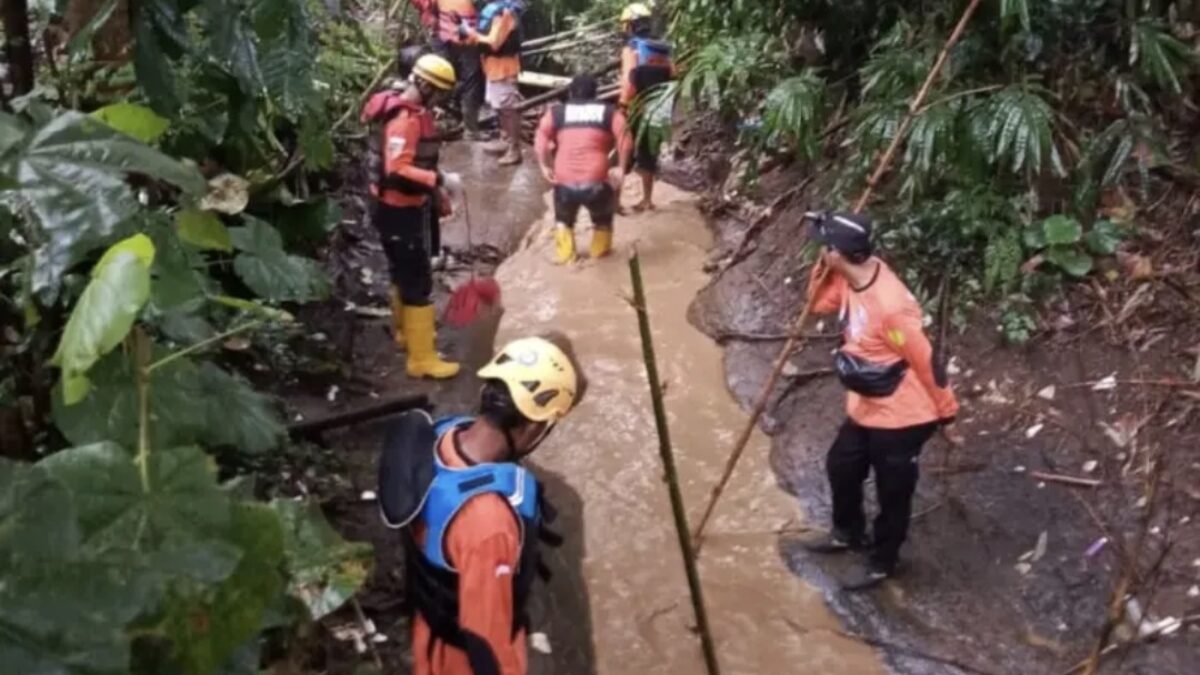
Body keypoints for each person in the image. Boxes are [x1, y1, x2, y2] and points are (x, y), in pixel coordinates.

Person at [378, 333, 588, 675]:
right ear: (535, 427)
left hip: (427, 630)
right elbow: (486, 638)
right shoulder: (489, 525)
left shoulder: (443, 435)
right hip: (456, 661)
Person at [800, 211, 964, 591]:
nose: (821, 251)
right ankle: (847, 532)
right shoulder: (848, 276)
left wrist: (948, 414)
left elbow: (925, 360)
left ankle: (882, 561)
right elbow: (818, 305)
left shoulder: (890, 307)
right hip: (866, 403)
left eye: (826, 247)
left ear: (841, 252)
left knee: (893, 491)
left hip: (904, 413)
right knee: (841, 465)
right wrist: (822, 270)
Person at [361, 54, 464, 380]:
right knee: (417, 279)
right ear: (423, 85)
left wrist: (436, 194)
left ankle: (407, 333)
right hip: (396, 210)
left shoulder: (412, 113)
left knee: (402, 273)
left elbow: (417, 162)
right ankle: (422, 359)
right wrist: (439, 181)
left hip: (400, 205)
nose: (441, 99)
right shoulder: (405, 119)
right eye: (439, 92)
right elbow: (398, 168)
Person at [534, 74, 632, 264]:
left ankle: (567, 258)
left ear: (570, 92)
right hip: (597, 181)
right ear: (596, 94)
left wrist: (544, 166)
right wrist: (621, 167)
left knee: (564, 222)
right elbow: (625, 140)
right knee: (602, 222)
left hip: (564, 181)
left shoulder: (556, 113)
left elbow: (541, 140)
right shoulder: (609, 112)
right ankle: (599, 259)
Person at [618, 2, 674, 212]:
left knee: (624, 151)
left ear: (631, 25)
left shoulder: (632, 48)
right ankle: (647, 199)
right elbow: (674, 75)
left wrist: (623, 105)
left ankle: (615, 202)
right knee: (648, 155)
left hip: (637, 108)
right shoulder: (663, 48)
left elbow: (629, 80)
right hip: (659, 107)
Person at [464, 0, 525, 166]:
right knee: (498, 106)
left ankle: (514, 149)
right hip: (492, 68)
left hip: (504, 68)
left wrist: (471, 33)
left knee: (508, 109)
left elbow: (494, 42)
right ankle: (506, 140)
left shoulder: (504, 12)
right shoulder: (492, 9)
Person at [423, 0, 486, 139]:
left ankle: (467, 127)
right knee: (442, 78)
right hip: (446, 32)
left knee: (463, 80)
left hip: (462, 33)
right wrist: (429, 15)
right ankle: (429, 123)